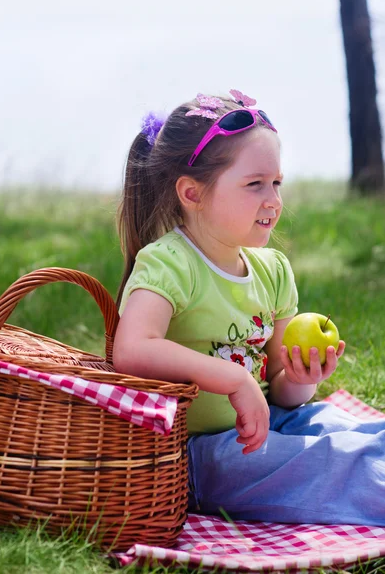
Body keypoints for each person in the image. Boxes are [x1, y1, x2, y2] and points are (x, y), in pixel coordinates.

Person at [113, 89, 385, 526]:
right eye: (254, 183)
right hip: (203, 456)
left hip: (268, 426)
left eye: (276, 182)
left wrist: (299, 379)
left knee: (351, 430)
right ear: (192, 193)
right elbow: (132, 349)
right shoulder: (170, 263)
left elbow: (279, 391)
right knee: (335, 462)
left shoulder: (272, 269)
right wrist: (234, 377)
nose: (273, 200)